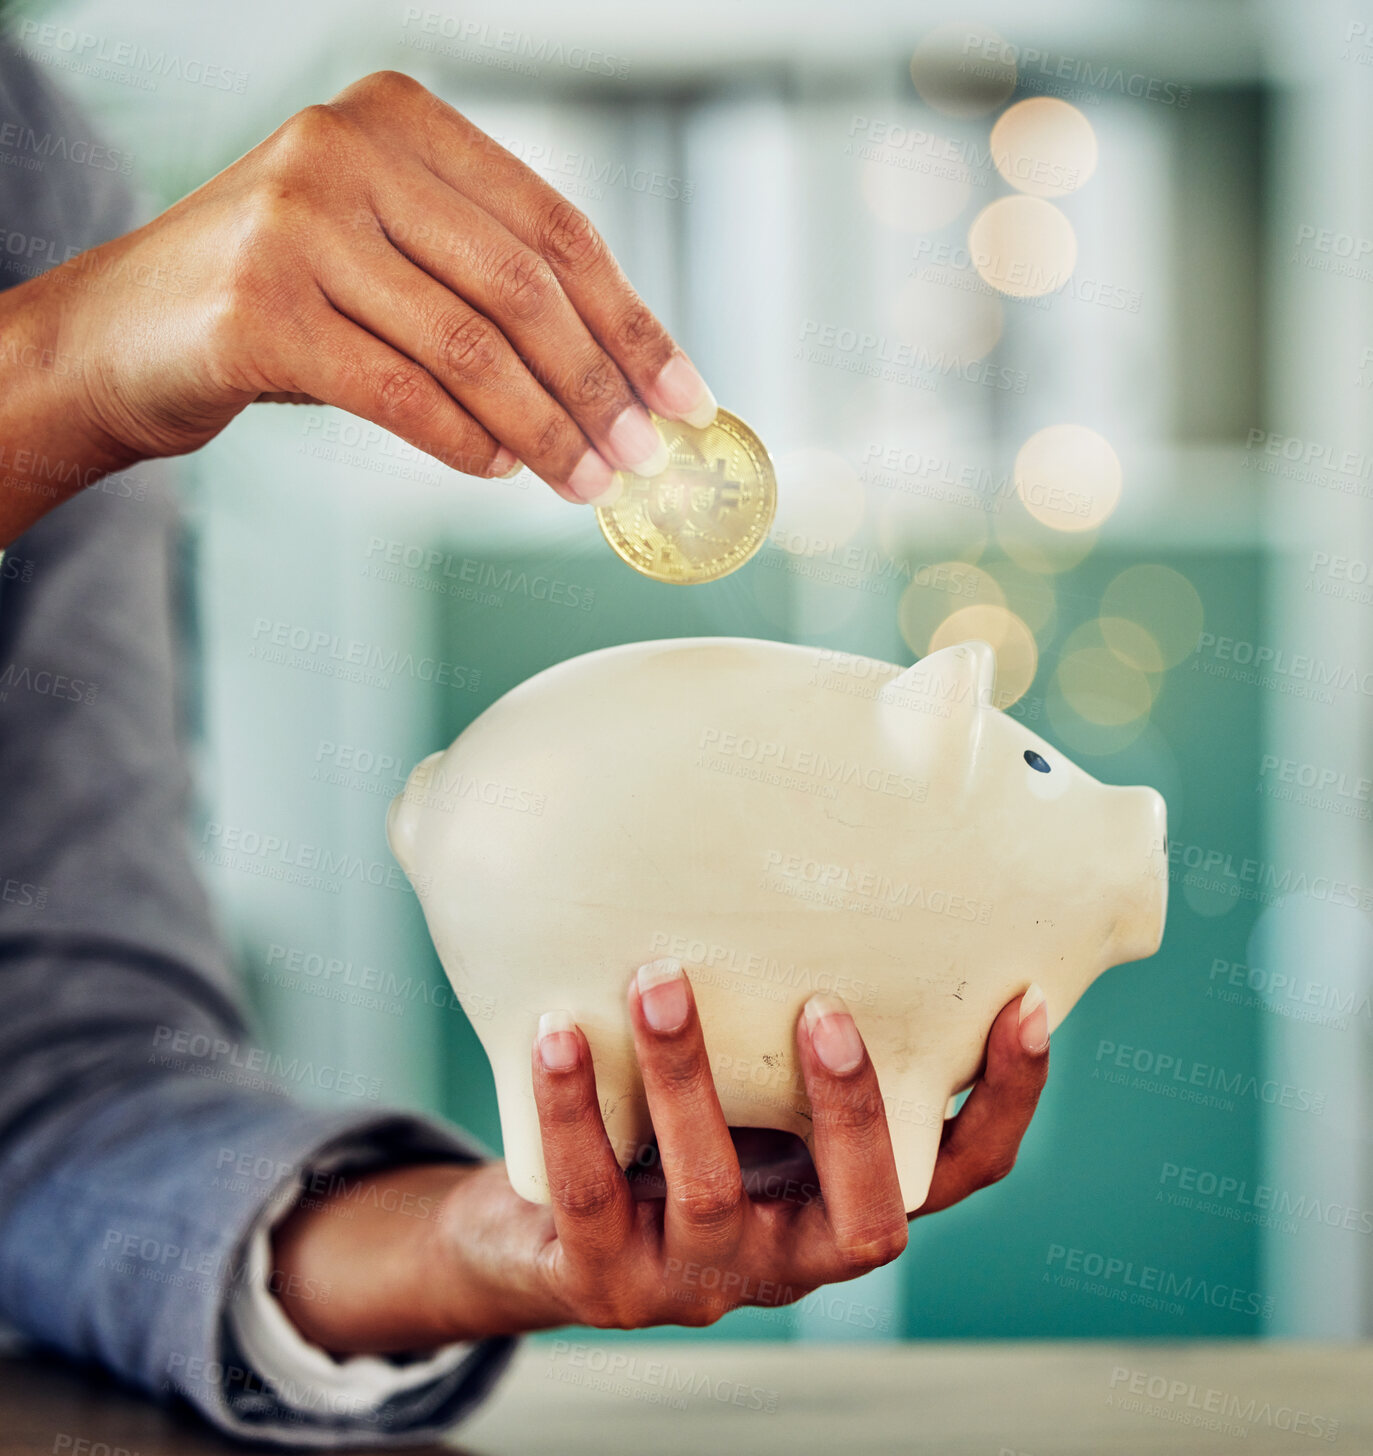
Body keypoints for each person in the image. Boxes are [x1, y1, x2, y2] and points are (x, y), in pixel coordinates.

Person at [0, 39, 1052, 1447]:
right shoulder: (58, 277)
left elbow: (61, 1104)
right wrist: (49, 372)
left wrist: (480, 1244)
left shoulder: (29, 165)